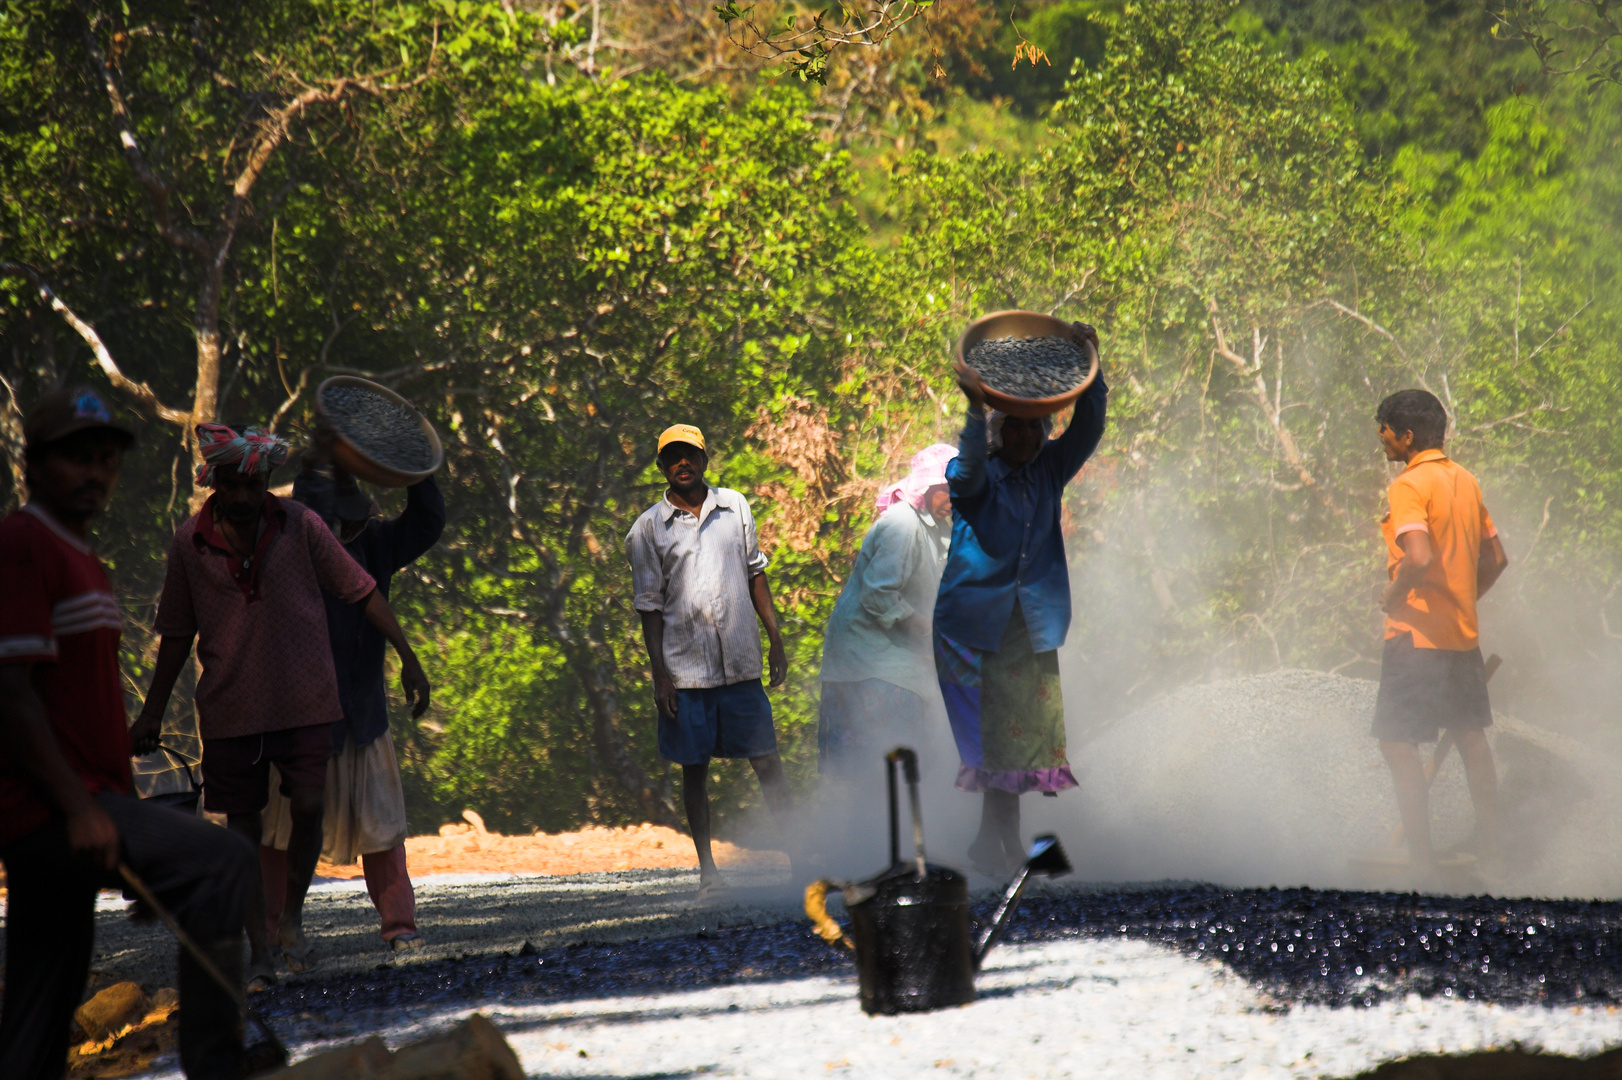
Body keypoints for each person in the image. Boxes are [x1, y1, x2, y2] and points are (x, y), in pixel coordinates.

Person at [0, 386, 255, 1080]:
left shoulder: (81, 556)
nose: (94, 474)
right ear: (34, 465)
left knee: (39, 1004)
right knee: (223, 860)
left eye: (106, 460)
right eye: (76, 459)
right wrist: (85, 811)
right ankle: (218, 1066)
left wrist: (121, 816)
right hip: (51, 810)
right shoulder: (23, 542)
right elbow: (12, 693)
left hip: (86, 805)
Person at [129, 423, 430, 983]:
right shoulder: (190, 544)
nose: (242, 496)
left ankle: (303, 921)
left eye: (253, 484)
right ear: (214, 481)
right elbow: (175, 633)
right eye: (232, 484)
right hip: (233, 708)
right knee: (248, 829)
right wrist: (152, 710)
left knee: (312, 809)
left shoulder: (304, 528)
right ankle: (263, 946)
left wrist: (408, 657)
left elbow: (364, 590)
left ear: (268, 483)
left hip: (313, 705)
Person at [258, 434, 444, 951]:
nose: (343, 530)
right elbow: (309, 515)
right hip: (296, 712)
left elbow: (427, 522)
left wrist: (417, 467)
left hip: (361, 711)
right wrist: (322, 463)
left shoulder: (377, 543)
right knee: (277, 829)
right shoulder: (289, 543)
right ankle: (274, 929)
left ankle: (399, 928)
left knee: (383, 827)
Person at [935, 326, 1108, 873]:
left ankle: (993, 844)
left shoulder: (1049, 471)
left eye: (1037, 430)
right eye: (1018, 430)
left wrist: (1092, 368)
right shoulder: (975, 480)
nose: (1029, 441)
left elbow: (1090, 428)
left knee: (1017, 743)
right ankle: (1002, 845)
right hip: (971, 627)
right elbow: (965, 470)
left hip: (1027, 626)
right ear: (1000, 429)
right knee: (993, 742)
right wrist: (975, 404)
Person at [626, 423, 793, 901]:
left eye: (690, 455)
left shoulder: (734, 506)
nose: (683, 464)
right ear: (661, 466)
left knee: (767, 762)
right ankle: (708, 875)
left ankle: (801, 862)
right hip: (686, 672)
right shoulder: (646, 530)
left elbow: (755, 573)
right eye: (673, 457)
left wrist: (774, 637)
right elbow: (649, 607)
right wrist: (660, 676)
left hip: (740, 665)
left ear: (704, 459)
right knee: (694, 770)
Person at [1373, 389, 1508, 880]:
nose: (1382, 441)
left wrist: (1393, 596)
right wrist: (1464, 598)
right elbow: (1496, 560)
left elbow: (1420, 558)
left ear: (1406, 437)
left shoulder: (1409, 486)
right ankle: (1494, 859)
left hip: (1415, 636)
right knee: (1471, 739)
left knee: (1396, 742)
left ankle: (1422, 864)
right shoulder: (1466, 481)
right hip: (1462, 636)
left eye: (1384, 431)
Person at [818, 443, 956, 773]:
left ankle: (895, 822)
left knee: (899, 768)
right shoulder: (903, 525)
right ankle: (870, 823)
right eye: (947, 490)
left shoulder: (938, 527)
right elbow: (878, 596)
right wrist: (927, 633)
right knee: (878, 768)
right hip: (866, 658)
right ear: (927, 488)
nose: (953, 498)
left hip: (892, 654)